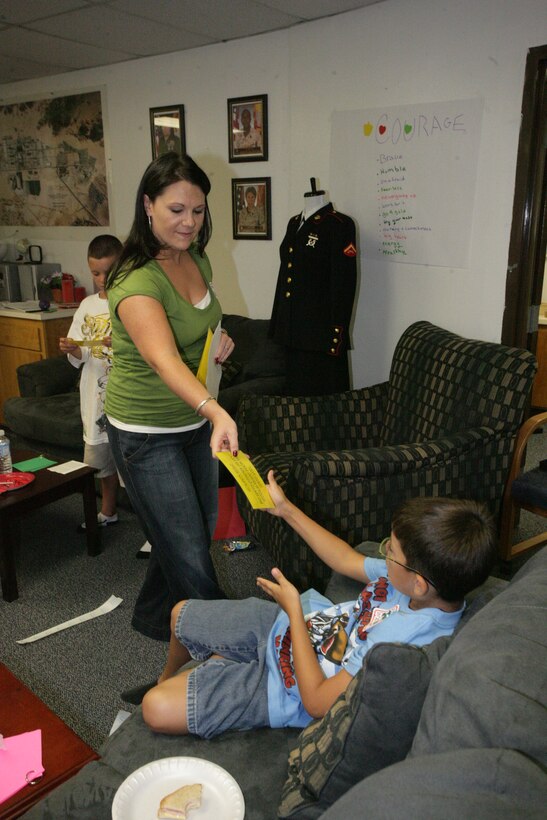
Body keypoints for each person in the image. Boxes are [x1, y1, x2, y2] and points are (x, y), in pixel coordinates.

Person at [140, 471, 497, 737]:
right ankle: (173, 674)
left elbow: (316, 702)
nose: (383, 552)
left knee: (155, 707)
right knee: (179, 614)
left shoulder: (401, 645)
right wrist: (287, 510)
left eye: (391, 551)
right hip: (301, 628)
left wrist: (294, 612)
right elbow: (344, 558)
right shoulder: (417, 583)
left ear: (419, 584)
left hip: (290, 688)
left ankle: (219, 664)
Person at [104, 151, 239, 643]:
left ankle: (152, 618)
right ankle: (231, 646)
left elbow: (201, 323)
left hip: (192, 424)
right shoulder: (135, 279)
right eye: (176, 210)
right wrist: (216, 409)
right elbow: (163, 360)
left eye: (198, 210)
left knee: (188, 534)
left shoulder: (195, 256)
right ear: (148, 205)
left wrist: (218, 340)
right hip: (145, 434)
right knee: (189, 551)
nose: (189, 222)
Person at [59, 234, 123, 531]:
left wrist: (121, 341)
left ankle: (153, 528)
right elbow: (82, 351)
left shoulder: (131, 300)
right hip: (95, 399)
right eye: (95, 272)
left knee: (134, 464)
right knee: (101, 461)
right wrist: (74, 350)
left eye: (108, 272)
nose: (101, 279)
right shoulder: (86, 305)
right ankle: (108, 511)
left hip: (125, 397)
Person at [269, 184, 357, 395]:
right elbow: (284, 277)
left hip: (320, 337)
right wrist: (278, 326)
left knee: (324, 408)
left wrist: (337, 335)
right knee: (295, 407)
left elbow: (344, 283)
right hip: (292, 334)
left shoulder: (339, 224)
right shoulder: (294, 223)